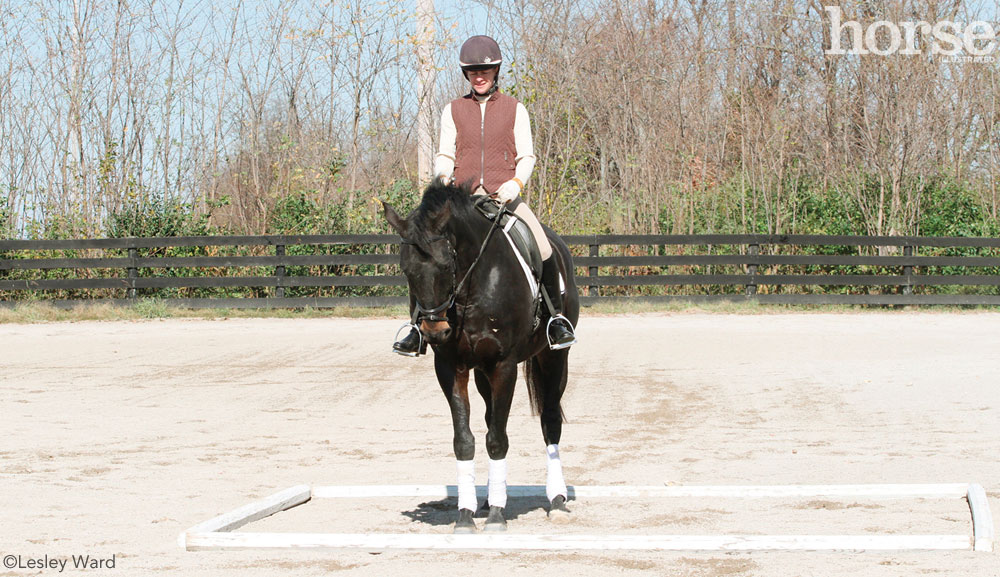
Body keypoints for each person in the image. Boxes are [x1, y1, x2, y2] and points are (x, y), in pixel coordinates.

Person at [393, 35, 576, 356]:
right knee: (425, 251)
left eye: (486, 71)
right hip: (460, 201)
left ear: (496, 72)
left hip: (503, 195)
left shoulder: (515, 109)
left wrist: (516, 184)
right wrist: (443, 175)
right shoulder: (453, 110)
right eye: (473, 71)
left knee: (544, 246)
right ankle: (415, 327)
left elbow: (527, 156)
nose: (479, 76)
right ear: (466, 74)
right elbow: (444, 154)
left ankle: (555, 319)